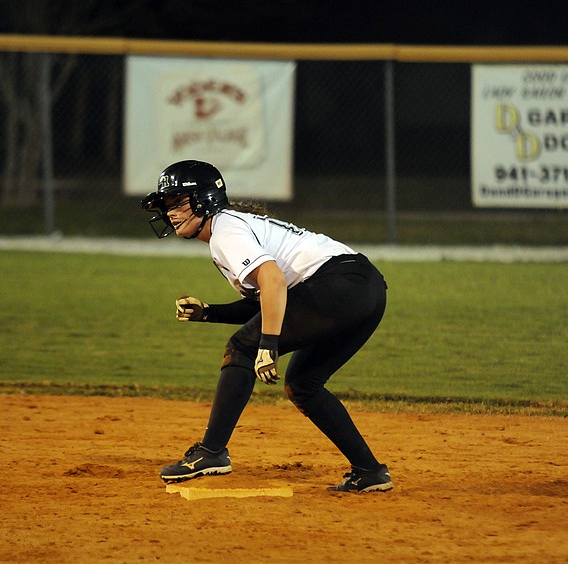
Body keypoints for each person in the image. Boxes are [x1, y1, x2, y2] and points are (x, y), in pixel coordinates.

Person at [141, 160, 392, 493]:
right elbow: (270, 301)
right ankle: (369, 471)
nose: (170, 212)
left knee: (241, 348)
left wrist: (267, 344)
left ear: (204, 200)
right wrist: (209, 312)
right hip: (365, 289)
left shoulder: (225, 229)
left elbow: (273, 281)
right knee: (304, 384)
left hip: (338, 284)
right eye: (166, 205)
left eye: (176, 202)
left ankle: (212, 452)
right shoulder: (233, 227)